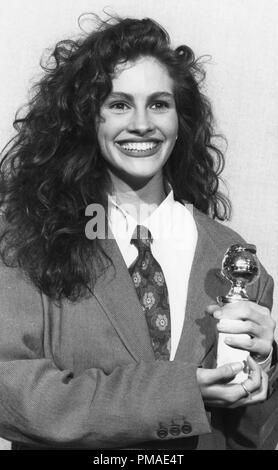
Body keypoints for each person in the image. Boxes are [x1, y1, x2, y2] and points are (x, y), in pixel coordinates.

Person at [0, 14, 277, 451]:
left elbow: (252, 436)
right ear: (86, 119)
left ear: (180, 119)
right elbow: (15, 396)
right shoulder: (28, 240)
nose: (142, 123)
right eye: (119, 104)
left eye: (159, 104)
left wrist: (263, 367)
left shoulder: (231, 254)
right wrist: (179, 393)